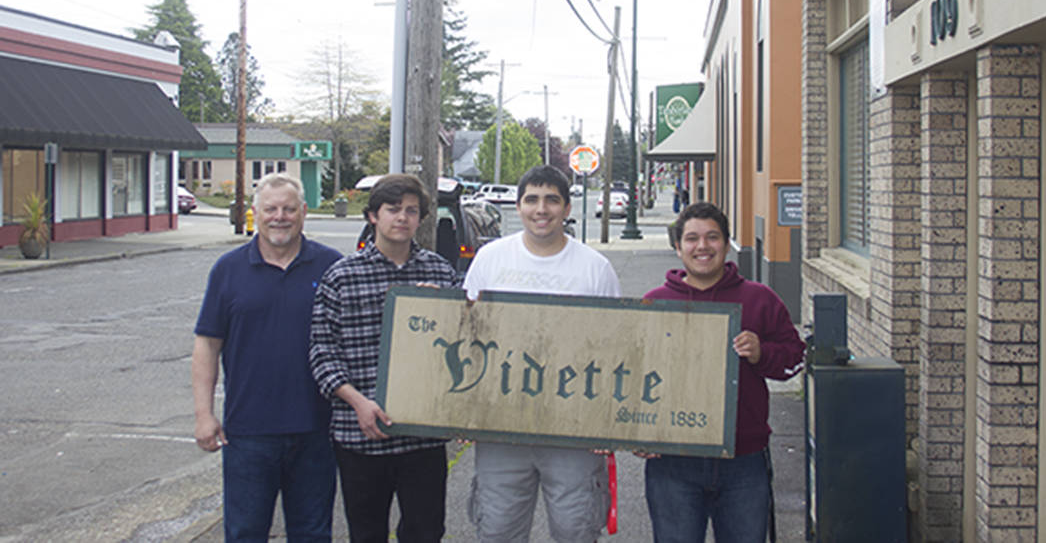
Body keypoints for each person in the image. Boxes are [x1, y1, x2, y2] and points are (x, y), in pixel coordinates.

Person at [461, 164, 621, 542]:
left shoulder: (595, 269)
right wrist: (462, 410)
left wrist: (606, 423)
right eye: (531, 199)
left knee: (576, 531)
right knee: (498, 531)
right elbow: (466, 336)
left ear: (567, 207)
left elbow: (616, 348)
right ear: (518, 207)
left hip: (573, 430)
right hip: (501, 430)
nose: (541, 209)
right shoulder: (490, 259)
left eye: (552, 200)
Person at [192, 173, 342, 543]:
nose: (280, 217)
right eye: (270, 209)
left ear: (304, 212)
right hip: (249, 433)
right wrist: (203, 415)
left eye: (289, 209)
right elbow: (207, 344)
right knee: (245, 532)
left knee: (312, 533)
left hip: (317, 430)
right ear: (254, 213)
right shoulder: (228, 270)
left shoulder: (332, 266)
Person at [642, 201, 805, 543]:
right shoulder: (653, 303)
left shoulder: (760, 299)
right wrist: (636, 433)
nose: (702, 246)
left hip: (742, 458)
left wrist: (762, 353)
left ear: (727, 243)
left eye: (712, 237)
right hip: (674, 460)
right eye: (691, 239)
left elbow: (794, 358)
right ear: (677, 247)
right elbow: (631, 377)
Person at [309, 173, 460, 542]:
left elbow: (466, 347)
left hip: (422, 436)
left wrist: (445, 309)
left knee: (426, 532)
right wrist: (358, 402)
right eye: (393, 209)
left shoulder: (440, 273)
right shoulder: (342, 276)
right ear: (373, 216)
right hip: (360, 434)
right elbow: (322, 352)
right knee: (366, 532)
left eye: (411, 211)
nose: (402, 217)